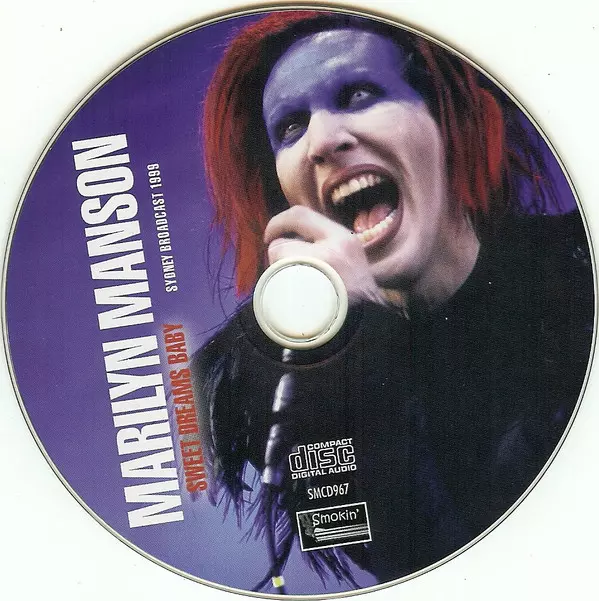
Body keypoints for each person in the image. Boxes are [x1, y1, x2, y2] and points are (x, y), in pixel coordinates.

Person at [191, 10, 593, 593]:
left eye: (358, 94)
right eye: (291, 127)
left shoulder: (578, 273)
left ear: (447, 121)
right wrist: (346, 347)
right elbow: (417, 566)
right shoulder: (274, 381)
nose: (323, 142)